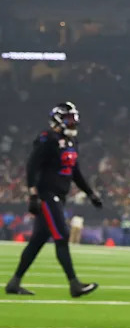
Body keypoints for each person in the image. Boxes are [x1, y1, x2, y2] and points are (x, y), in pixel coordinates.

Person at [5, 102, 101, 297]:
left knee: (38, 240)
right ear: (58, 119)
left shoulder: (72, 142)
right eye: (69, 119)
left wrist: (90, 193)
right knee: (62, 236)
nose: (73, 123)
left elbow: (75, 171)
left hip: (60, 195)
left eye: (73, 119)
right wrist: (32, 193)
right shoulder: (47, 139)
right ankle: (74, 284)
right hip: (47, 195)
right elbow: (32, 166)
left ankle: (14, 283)